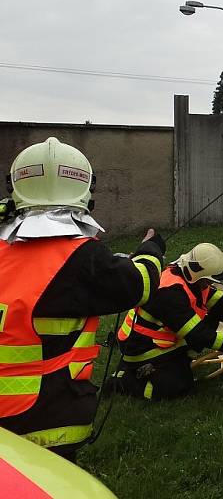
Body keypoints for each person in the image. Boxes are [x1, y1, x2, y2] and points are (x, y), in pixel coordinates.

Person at [0, 137, 165, 461]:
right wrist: (152, 249)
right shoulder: (82, 259)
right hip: (41, 420)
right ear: (85, 194)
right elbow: (138, 285)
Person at [114, 242, 223, 400]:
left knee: (211, 320)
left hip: (159, 341)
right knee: (179, 385)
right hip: (141, 349)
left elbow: (222, 306)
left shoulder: (192, 281)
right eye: (207, 281)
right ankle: (125, 382)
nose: (209, 285)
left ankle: (180, 361)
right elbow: (200, 335)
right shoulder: (170, 294)